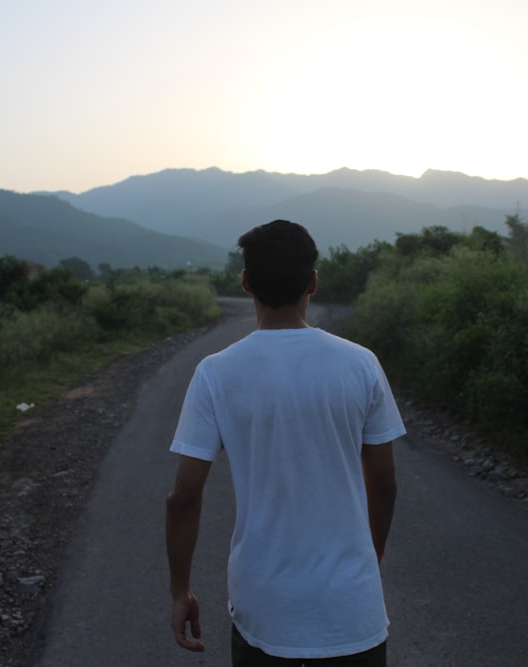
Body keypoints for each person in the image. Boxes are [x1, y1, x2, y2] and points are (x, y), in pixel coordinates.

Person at [165, 219, 405, 666]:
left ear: (246, 282)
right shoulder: (362, 365)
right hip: (353, 611)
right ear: (313, 282)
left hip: (265, 610)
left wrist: (181, 589)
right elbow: (385, 484)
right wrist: (369, 556)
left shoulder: (216, 373)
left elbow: (183, 497)